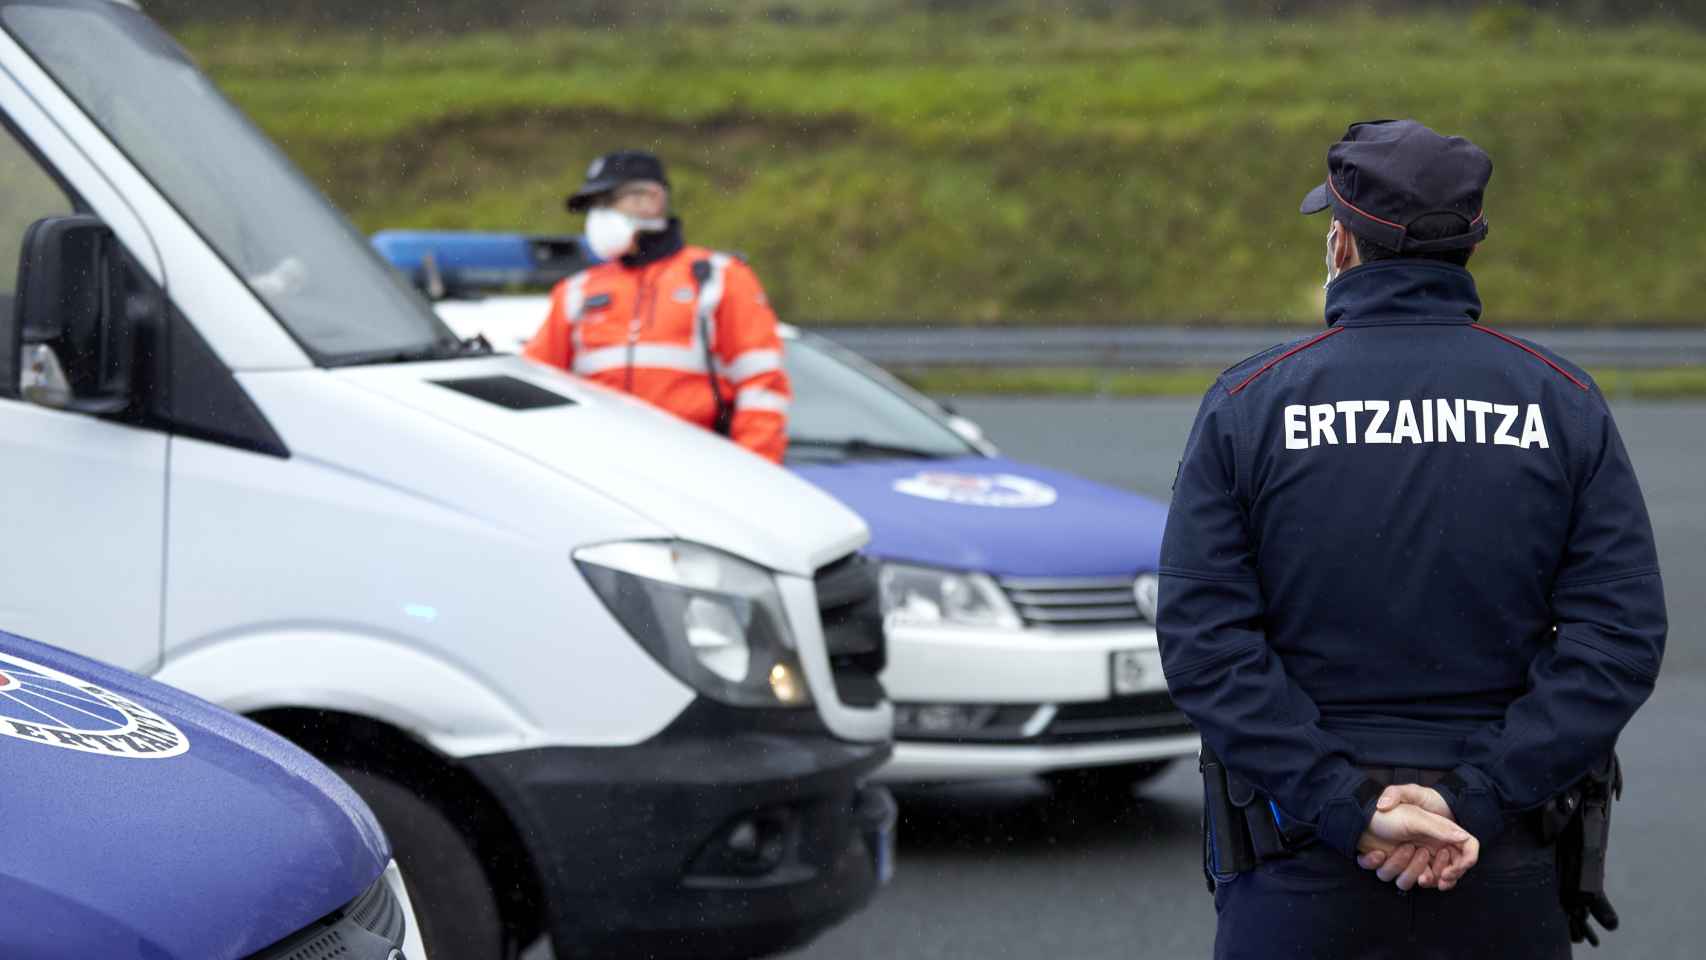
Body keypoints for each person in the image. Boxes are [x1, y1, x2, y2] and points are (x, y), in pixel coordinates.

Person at [1158, 119, 1666, 959]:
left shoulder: (1251, 403)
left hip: (1297, 867)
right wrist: (1473, 802)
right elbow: (1617, 641)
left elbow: (1204, 643)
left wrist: (1348, 812)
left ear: (1340, 246)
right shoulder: (1562, 402)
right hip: (1499, 866)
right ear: (1469, 247)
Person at [525, 150, 791, 462]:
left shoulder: (719, 278)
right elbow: (535, 386)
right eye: (593, 207)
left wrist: (753, 474)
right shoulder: (575, 292)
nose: (597, 216)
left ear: (651, 198)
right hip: (603, 474)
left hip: (701, 471)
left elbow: (762, 387)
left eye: (607, 202)